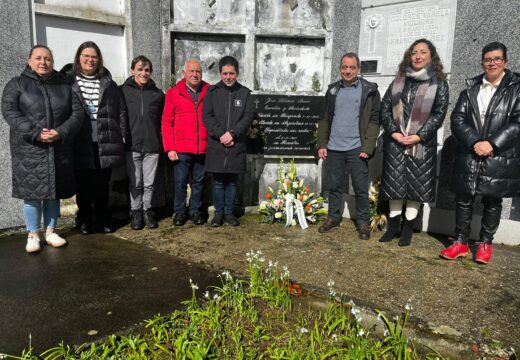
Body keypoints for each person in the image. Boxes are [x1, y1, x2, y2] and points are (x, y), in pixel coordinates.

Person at [440, 42, 520, 264]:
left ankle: (485, 243)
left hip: (499, 154)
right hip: (470, 151)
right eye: (487, 59)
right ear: (482, 62)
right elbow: (457, 119)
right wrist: (475, 141)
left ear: (505, 62)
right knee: (464, 199)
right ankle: (460, 242)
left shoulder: (516, 88)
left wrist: (492, 143)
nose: (492, 63)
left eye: (497, 59)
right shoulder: (470, 89)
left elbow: (517, 122)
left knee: (493, 200)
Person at [1, 45, 83, 253]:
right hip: (29, 149)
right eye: (38, 58)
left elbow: (77, 113)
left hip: (57, 147)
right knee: (32, 192)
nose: (43, 62)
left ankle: (51, 231)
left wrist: (60, 132)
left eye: (47, 58)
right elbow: (10, 111)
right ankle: (33, 234)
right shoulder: (17, 84)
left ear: (52, 61)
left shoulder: (65, 85)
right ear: (29, 61)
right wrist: (35, 131)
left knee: (53, 193)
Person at [379, 38, 449, 246]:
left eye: (423, 52)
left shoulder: (439, 83)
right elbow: (384, 109)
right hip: (396, 143)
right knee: (394, 186)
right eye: (414, 52)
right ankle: (393, 227)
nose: (417, 56)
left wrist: (419, 135)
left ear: (431, 56)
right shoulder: (399, 81)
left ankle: (407, 229)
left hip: (421, 144)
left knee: (415, 187)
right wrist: (393, 132)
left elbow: (439, 114)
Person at [62, 41, 127, 234]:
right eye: (86, 56)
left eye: (94, 56)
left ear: (99, 60)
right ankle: (84, 218)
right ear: (79, 58)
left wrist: (122, 135)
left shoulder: (108, 83)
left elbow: (121, 111)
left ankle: (102, 217)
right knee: (83, 184)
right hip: (79, 140)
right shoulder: (67, 82)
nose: (90, 60)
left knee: (102, 184)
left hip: (104, 140)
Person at [316, 52, 381, 240]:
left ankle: (363, 223)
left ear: (358, 69)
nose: (348, 71)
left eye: (352, 67)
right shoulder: (332, 91)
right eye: (345, 67)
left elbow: (375, 120)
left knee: (360, 188)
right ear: (340, 69)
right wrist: (322, 143)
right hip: (334, 147)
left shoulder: (369, 91)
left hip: (357, 148)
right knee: (334, 186)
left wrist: (367, 147)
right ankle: (333, 218)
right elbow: (324, 118)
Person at [202, 56, 254, 227]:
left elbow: (247, 118)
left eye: (231, 73)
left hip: (236, 144)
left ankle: (229, 213)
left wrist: (232, 134)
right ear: (220, 73)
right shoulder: (211, 92)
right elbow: (207, 117)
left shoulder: (245, 93)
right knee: (218, 182)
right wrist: (222, 136)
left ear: (237, 73)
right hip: (217, 145)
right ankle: (219, 213)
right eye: (225, 73)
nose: (228, 77)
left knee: (232, 181)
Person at [162, 59, 209, 226]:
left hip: (202, 147)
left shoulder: (209, 91)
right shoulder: (173, 93)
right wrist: (170, 148)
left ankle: (195, 211)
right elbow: (167, 122)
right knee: (180, 183)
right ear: (184, 73)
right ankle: (180, 212)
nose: (195, 74)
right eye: (191, 71)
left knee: (199, 182)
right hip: (181, 148)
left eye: (198, 71)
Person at [121, 55, 164, 230]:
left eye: (147, 70)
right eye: (140, 69)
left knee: (149, 183)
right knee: (136, 181)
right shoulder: (122, 90)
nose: (143, 73)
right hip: (131, 145)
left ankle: (147, 210)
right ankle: (135, 211)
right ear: (133, 70)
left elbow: (163, 119)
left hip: (152, 145)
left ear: (151, 72)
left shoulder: (157, 94)